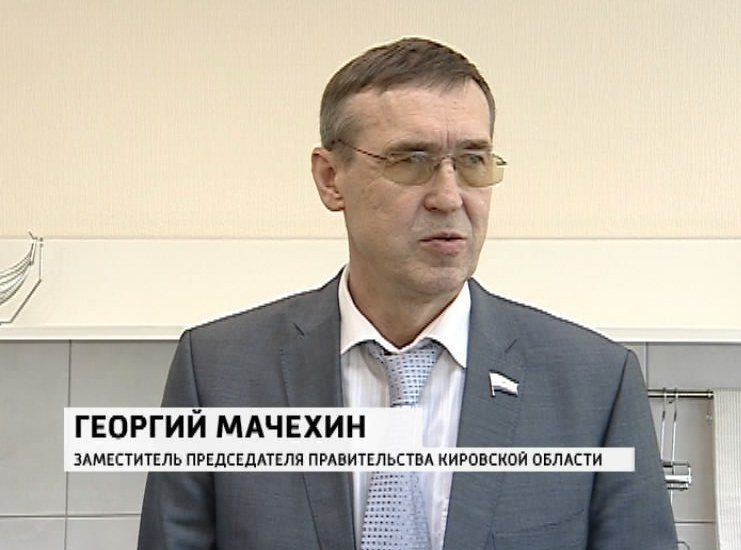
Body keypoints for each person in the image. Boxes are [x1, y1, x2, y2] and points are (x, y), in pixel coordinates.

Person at [138, 37, 677, 549]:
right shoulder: (217, 375)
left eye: (473, 161)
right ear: (331, 179)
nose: (449, 197)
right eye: (410, 161)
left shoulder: (596, 385)